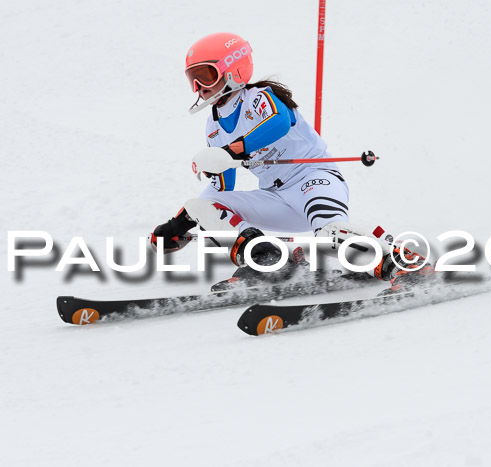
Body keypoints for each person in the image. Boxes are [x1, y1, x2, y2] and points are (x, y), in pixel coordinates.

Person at [151, 32, 427, 289]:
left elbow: (278, 122)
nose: (199, 87)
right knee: (200, 204)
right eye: (193, 79)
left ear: (232, 70)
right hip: (276, 196)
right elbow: (221, 187)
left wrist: (234, 150)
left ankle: (403, 264)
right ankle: (269, 262)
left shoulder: (258, 97)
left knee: (329, 233)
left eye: (206, 75)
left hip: (314, 180)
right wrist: (183, 222)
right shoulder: (213, 127)